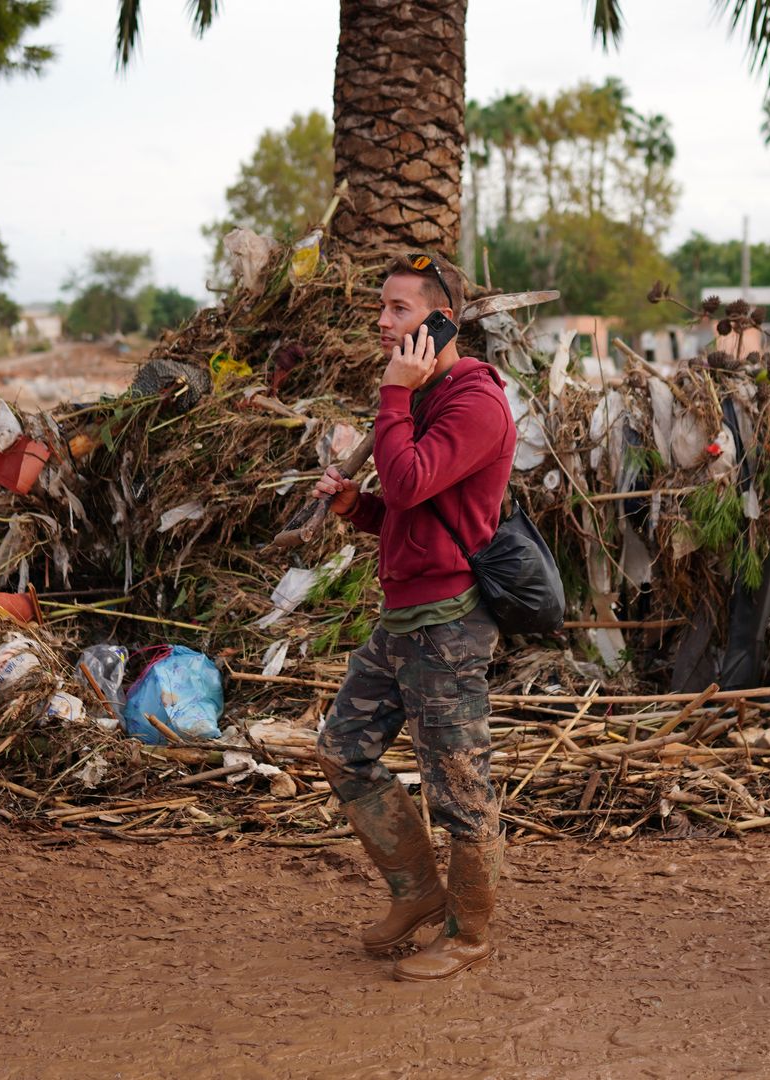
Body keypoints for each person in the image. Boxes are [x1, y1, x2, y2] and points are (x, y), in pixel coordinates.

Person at [311, 253, 517, 981]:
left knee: (459, 785)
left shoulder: (474, 402)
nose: (381, 321)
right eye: (382, 307)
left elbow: (408, 478)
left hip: (448, 624)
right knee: (342, 748)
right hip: (403, 618)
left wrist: (392, 395)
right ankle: (417, 890)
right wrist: (353, 509)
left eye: (398, 309)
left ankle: (469, 932)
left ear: (439, 321)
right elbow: (408, 507)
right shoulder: (427, 394)